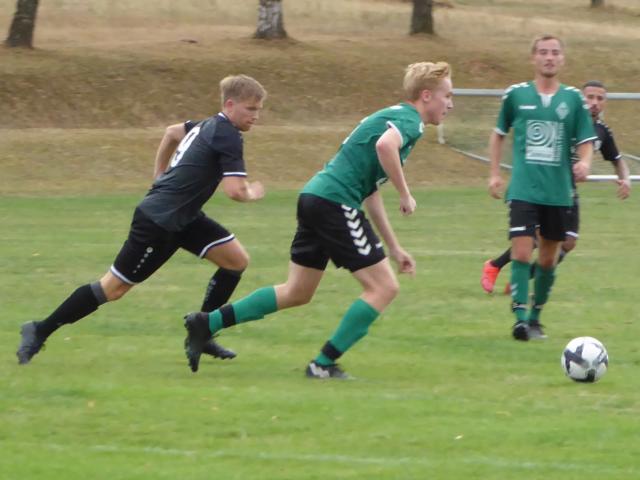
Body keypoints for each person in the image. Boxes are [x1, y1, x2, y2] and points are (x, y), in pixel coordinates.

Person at [183, 61, 454, 378]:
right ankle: (323, 364)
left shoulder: (392, 115)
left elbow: (369, 191)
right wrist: (405, 193)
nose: (450, 104)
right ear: (426, 95)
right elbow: (385, 146)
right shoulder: (410, 120)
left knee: (297, 291)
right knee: (383, 288)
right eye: (447, 96)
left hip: (316, 197)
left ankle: (206, 323)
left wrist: (394, 247)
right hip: (334, 202)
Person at [16, 74, 267, 364]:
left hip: (184, 218)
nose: (256, 116)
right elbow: (235, 191)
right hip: (158, 223)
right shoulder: (226, 135)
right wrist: (252, 193)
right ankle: (39, 329)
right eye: (250, 109)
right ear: (230, 104)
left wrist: (159, 174)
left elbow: (171, 133)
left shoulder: (206, 125)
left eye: (259, 109)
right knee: (113, 288)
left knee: (235, 261)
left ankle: (202, 331)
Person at [488, 35, 596, 341]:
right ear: (533, 58)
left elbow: (586, 141)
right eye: (544, 52)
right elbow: (498, 134)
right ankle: (520, 319)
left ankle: (536, 318)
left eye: (555, 52)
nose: (549, 57)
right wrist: (494, 174)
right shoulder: (515, 95)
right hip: (524, 189)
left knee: (547, 259)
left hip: (558, 192)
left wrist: (585, 163)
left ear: (562, 59)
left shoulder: (573, 99)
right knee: (522, 252)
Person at [481, 79, 631, 295]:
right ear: (581, 99)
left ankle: (520, 275)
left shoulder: (602, 131)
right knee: (537, 236)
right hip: (545, 186)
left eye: (600, 98)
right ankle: (497, 268)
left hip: (568, 190)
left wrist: (625, 179)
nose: (594, 102)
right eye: (590, 97)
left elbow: (617, 160)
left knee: (568, 242)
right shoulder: (564, 119)